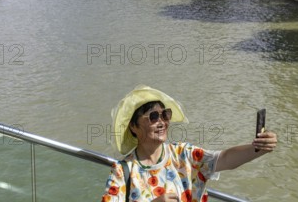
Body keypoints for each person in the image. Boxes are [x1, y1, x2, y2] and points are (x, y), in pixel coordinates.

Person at [101, 85, 278, 202]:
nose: (162, 122)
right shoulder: (123, 171)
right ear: (133, 126)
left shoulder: (183, 154)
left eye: (165, 115)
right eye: (153, 117)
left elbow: (224, 158)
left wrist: (259, 148)